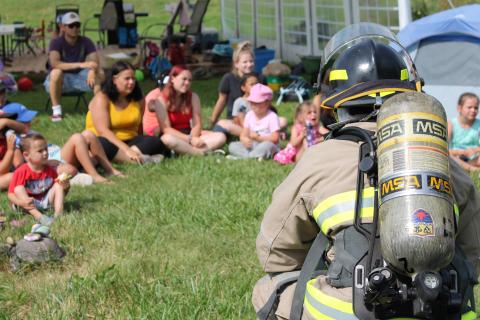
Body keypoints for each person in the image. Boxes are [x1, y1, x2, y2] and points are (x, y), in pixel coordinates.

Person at [252, 24, 480, 320]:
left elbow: (276, 252)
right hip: (437, 307)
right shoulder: (441, 161)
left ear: (335, 103)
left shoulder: (320, 159)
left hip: (351, 311)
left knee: (268, 287)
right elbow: (472, 254)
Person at [85, 61, 170, 164]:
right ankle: (140, 160)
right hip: (105, 140)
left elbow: (139, 125)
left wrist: (141, 141)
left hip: (130, 141)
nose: (131, 82)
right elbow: (103, 131)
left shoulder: (138, 98)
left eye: (133, 79)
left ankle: (120, 158)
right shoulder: (102, 98)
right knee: (102, 144)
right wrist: (126, 150)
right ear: (114, 79)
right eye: (127, 79)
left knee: (154, 141)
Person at [143, 65, 226, 156]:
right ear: (173, 78)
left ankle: (184, 150)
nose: (187, 83)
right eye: (184, 79)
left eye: (189, 80)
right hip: (173, 136)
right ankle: (200, 153)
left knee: (220, 137)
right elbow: (166, 129)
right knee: (167, 139)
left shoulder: (193, 97)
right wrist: (190, 140)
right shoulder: (161, 100)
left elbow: (197, 124)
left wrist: (193, 137)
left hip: (189, 133)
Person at [44, 11, 101, 122]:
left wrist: (92, 70)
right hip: (59, 80)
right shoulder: (56, 42)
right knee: (56, 72)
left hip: (79, 76)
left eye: (77, 25)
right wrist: (81, 64)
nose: (74, 28)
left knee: (100, 73)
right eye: (71, 26)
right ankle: (57, 112)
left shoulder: (86, 41)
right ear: (63, 27)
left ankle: (98, 109)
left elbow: (95, 62)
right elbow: (55, 64)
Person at [8, 133, 74, 226]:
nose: (45, 153)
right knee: (18, 188)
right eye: (40, 151)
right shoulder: (21, 171)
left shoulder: (50, 170)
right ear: (27, 156)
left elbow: (58, 193)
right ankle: (38, 216)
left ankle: (58, 215)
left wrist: (66, 187)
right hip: (25, 204)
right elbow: (11, 194)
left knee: (58, 184)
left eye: (46, 149)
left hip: (44, 202)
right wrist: (21, 202)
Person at [210, 41, 260, 136]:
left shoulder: (260, 78)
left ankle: (253, 134)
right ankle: (256, 135)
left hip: (257, 120)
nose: (249, 65)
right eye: (245, 62)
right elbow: (221, 101)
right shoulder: (228, 78)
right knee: (223, 124)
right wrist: (213, 121)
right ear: (236, 64)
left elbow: (266, 103)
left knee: (282, 121)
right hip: (235, 121)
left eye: (251, 61)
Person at [228, 84, 279, 159]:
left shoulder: (272, 116)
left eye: (257, 103)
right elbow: (244, 133)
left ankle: (245, 157)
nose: (253, 105)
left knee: (268, 146)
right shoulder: (249, 115)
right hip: (252, 145)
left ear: (267, 103)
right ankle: (253, 156)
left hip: (265, 143)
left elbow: (275, 138)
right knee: (232, 146)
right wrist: (244, 140)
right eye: (252, 102)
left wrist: (259, 138)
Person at [448, 92, 480, 171]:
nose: (473, 110)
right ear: (459, 108)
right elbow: (444, 147)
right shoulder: (451, 124)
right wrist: (459, 152)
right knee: (447, 156)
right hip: (457, 158)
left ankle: (467, 168)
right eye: (469, 107)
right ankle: (473, 170)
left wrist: (474, 150)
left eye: (476, 108)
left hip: (474, 159)